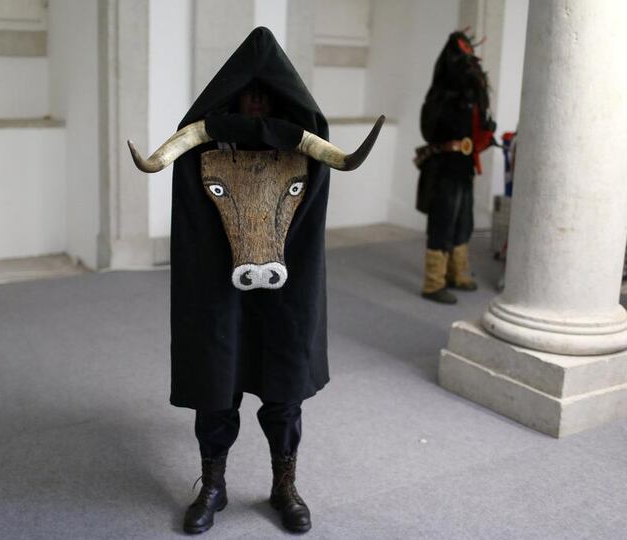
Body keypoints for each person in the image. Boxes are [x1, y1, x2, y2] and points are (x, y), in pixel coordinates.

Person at [127, 27, 383, 534]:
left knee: (284, 385)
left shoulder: (305, 156)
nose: (259, 99)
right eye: (249, 89)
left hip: (286, 283)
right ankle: (214, 484)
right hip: (218, 284)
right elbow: (193, 224)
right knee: (215, 383)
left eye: (270, 91)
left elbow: (307, 225)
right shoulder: (202, 151)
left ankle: (284, 483)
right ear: (233, 93)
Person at [414, 31, 496, 304]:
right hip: (444, 165)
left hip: (464, 164)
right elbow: (430, 128)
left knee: (463, 221)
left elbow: (476, 130)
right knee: (442, 221)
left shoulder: (472, 94)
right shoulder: (443, 93)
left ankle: (456, 272)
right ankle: (434, 282)